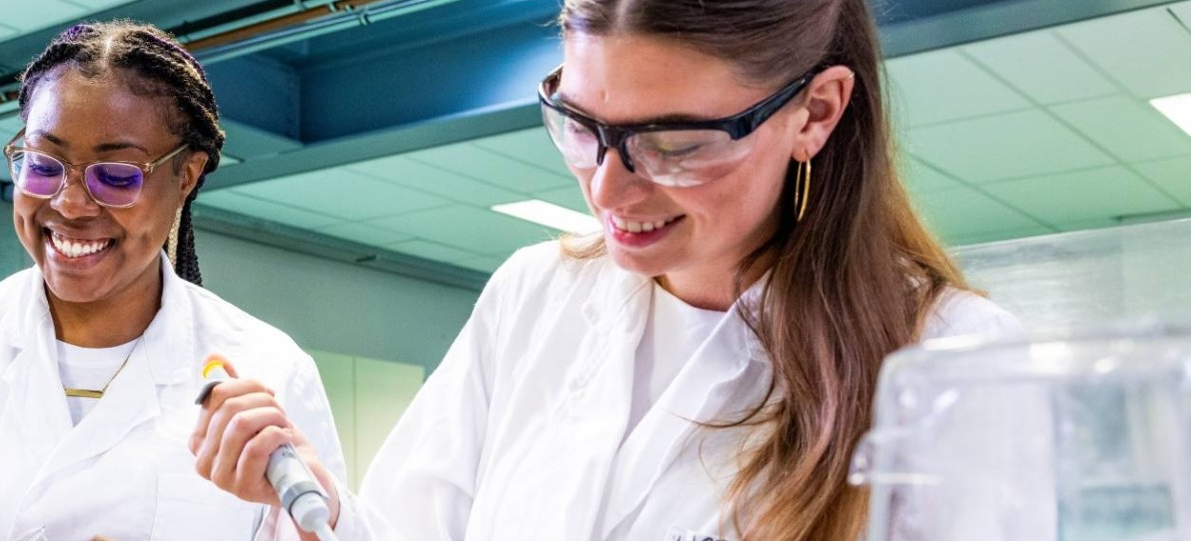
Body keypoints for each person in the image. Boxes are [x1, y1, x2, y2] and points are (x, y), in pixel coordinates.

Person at [191, 0, 1026, 539]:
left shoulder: (952, 362)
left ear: (816, 111)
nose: (608, 185)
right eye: (580, 123)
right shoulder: (535, 294)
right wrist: (320, 509)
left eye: (675, 144)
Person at [0, 21, 347, 541]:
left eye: (117, 175)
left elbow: (324, 529)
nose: (71, 203)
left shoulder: (266, 371)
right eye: (43, 165)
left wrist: (320, 512)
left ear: (186, 176)